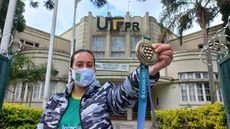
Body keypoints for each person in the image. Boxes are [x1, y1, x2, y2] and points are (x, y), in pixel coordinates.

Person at [37, 43, 173, 129]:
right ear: (71, 71)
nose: (85, 68)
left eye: (89, 65)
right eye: (79, 64)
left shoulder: (104, 94)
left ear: (94, 70)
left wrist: (146, 72)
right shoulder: (54, 101)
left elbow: (123, 94)